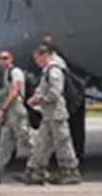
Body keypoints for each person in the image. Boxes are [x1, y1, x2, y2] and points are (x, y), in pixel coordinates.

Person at [17, 40, 82, 185]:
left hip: (57, 114)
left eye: (37, 58)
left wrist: (39, 100)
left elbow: (55, 93)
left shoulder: (54, 71)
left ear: (45, 55)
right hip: (48, 115)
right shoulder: (47, 70)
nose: (36, 61)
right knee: (42, 143)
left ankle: (70, 171)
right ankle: (34, 170)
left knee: (63, 143)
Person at [0, 49, 32, 184]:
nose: (2, 61)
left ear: (11, 59)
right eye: (0, 59)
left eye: (5, 58)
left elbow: (14, 91)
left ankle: (38, 166)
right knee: (4, 143)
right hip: (9, 112)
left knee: (25, 140)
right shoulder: (5, 74)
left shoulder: (16, 72)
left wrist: (2, 109)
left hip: (16, 110)